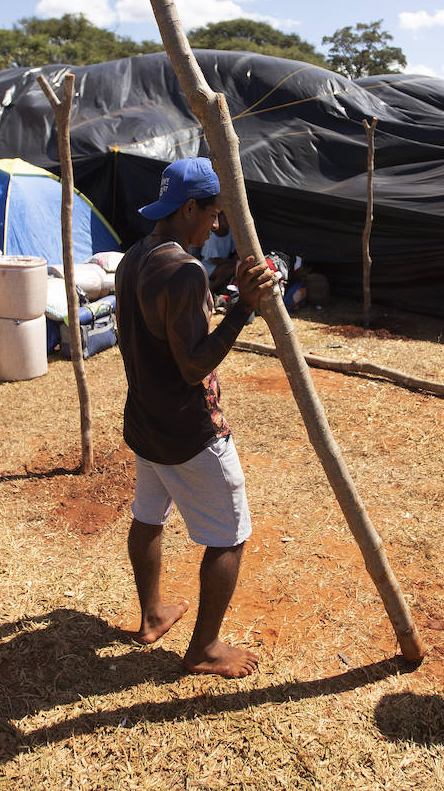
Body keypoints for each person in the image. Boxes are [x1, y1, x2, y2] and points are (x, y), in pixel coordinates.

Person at [115, 156, 275, 679]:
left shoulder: (133, 258)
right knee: (229, 536)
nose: (217, 227)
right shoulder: (183, 270)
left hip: (144, 419)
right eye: (212, 216)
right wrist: (243, 309)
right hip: (187, 430)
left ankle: (153, 614)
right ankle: (204, 647)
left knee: (148, 515)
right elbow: (192, 366)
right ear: (190, 208)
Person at [199, 210, 238, 293]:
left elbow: (234, 250)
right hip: (209, 266)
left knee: (233, 268)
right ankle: (212, 290)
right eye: (225, 219)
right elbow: (214, 260)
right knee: (228, 270)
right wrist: (233, 262)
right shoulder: (211, 237)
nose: (227, 221)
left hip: (225, 262)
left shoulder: (230, 232)